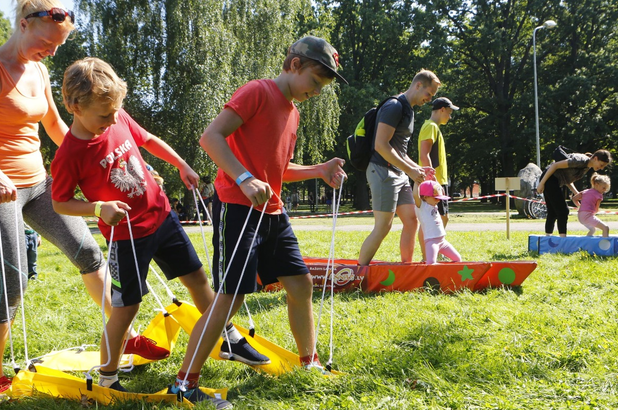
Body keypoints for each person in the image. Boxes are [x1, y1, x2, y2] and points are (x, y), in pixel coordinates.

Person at [0, 1, 160, 393]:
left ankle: (128, 336)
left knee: (88, 253)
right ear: (22, 24)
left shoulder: (38, 68)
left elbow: (57, 126)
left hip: (38, 185)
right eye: (47, 43)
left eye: (58, 45)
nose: (52, 52)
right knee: (12, 283)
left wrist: (107, 160)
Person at [51, 57, 268, 393]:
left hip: (163, 217)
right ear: (74, 106)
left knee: (197, 278)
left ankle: (225, 336)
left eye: (115, 112)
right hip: (127, 238)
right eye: (103, 115)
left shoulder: (117, 115)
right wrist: (97, 207)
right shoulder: (69, 154)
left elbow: (148, 139)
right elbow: (60, 201)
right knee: (126, 309)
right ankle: (107, 378)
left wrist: (180, 163)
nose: (112, 120)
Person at [182, 35, 347, 408]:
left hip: (272, 212)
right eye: (315, 82)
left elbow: (277, 169)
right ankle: (185, 383)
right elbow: (210, 138)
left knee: (301, 284)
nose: (317, 91)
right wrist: (242, 177)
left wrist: (318, 170)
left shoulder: (293, 112)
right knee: (230, 297)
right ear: (293, 65)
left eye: (323, 87)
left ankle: (309, 362)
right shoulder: (257, 92)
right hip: (237, 208)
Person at [358, 70, 441, 265]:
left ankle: (406, 267)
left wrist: (418, 169)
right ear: (418, 85)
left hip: (398, 172)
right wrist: (411, 171)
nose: (429, 99)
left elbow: (399, 151)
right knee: (383, 226)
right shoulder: (394, 106)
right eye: (429, 93)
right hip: (382, 171)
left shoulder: (408, 110)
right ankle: (358, 273)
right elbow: (381, 145)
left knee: (411, 221)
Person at [417, 97, 458, 260]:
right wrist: (431, 182)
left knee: (437, 218)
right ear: (442, 109)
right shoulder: (430, 126)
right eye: (449, 112)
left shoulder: (433, 127)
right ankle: (428, 254)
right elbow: (424, 154)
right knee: (435, 218)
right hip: (435, 182)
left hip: (438, 181)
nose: (450, 116)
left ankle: (429, 253)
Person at [536, 150, 612, 237]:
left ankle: (548, 237)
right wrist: (541, 183)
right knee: (563, 211)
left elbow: (567, 179)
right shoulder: (580, 161)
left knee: (553, 211)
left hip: (554, 180)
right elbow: (555, 165)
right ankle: (563, 239)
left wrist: (576, 193)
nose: (601, 168)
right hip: (550, 179)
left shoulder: (586, 166)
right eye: (601, 165)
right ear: (595, 158)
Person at [413, 180, 461, 264]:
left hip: (442, 241)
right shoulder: (422, 206)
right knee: (431, 263)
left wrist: (434, 180)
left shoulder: (433, 205)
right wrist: (417, 182)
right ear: (425, 197)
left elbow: (436, 188)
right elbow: (415, 195)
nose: (438, 201)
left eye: (439, 198)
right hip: (431, 241)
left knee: (457, 259)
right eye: (436, 198)